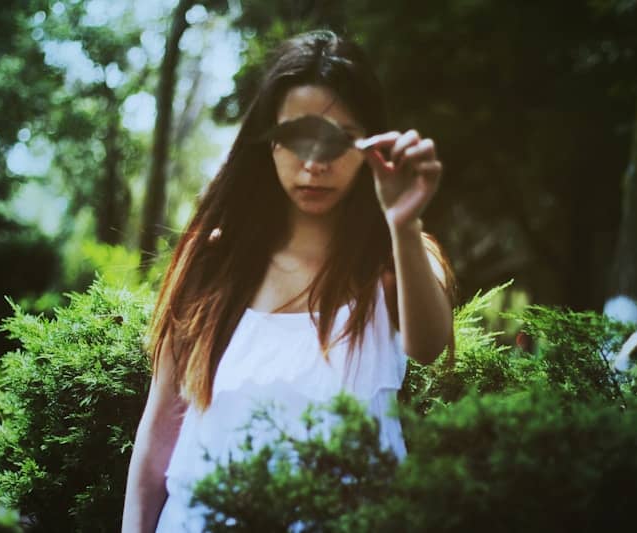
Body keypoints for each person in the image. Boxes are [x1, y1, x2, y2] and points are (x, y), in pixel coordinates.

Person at [121, 29, 456, 532]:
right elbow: (160, 433)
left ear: (369, 145)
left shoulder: (392, 265)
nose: (315, 164)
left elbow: (428, 346)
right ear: (269, 140)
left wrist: (403, 222)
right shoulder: (214, 261)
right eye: (298, 137)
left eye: (339, 139)